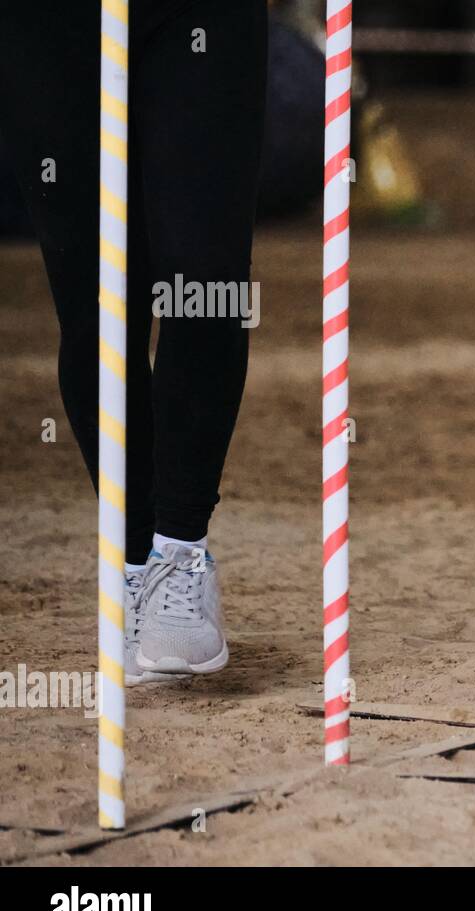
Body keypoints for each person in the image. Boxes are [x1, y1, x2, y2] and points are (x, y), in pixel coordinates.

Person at [0, 3, 268, 683]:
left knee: (205, 282)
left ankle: (181, 549)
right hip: (48, 23)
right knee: (93, 304)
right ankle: (134, 555)